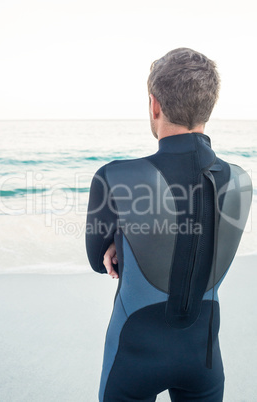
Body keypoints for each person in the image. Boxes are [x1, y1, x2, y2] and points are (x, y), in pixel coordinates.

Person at [85, 48, 252, 402]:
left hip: (134, 355)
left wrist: (123, 237)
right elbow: (201, 228)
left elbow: (98, 261)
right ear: (209, 106)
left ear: (154, 104)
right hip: (203, 358)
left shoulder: (114, 176)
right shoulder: (241, 180)